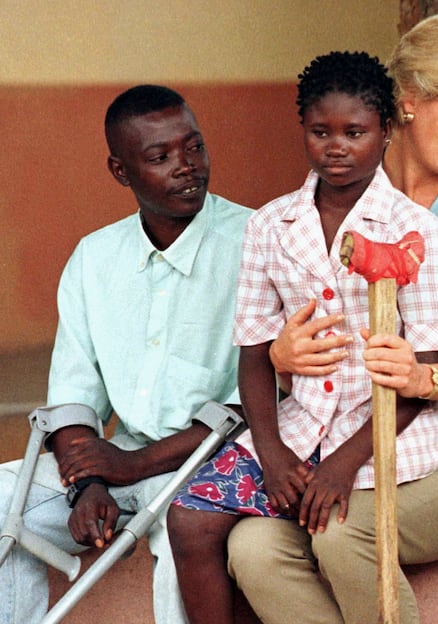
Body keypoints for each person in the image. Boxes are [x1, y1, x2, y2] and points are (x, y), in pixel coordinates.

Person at [227, 13, 438, 624]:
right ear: (411, 100)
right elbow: (272, 341)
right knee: (253, 547)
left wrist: (421, 381)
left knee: (344, 531)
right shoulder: (319, 196)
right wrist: (282, 358)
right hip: (350, 423)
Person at [167, 51, 438, 624]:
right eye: (320, 131)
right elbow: (253, 357)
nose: (336, 146)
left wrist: (344, 464)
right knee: (191, 516)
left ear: (385, 133)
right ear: (302, 129)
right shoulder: (270, 226)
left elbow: (422, 372)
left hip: (377, 438)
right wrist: (272, 454)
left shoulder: (414, 230)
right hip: (296, 435)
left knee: (328, 532)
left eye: (356, 132)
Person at [0, 84, 252, 624]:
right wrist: (87, 482)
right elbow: (72, 395)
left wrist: (130, 464)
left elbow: (252, 404)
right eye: (160, 157)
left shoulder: (256, 244)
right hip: (119, 460)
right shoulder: (95, 258)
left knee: (181, 546)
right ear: (121, 171)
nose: (187, 167)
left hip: (211, 462)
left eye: (195, 147)